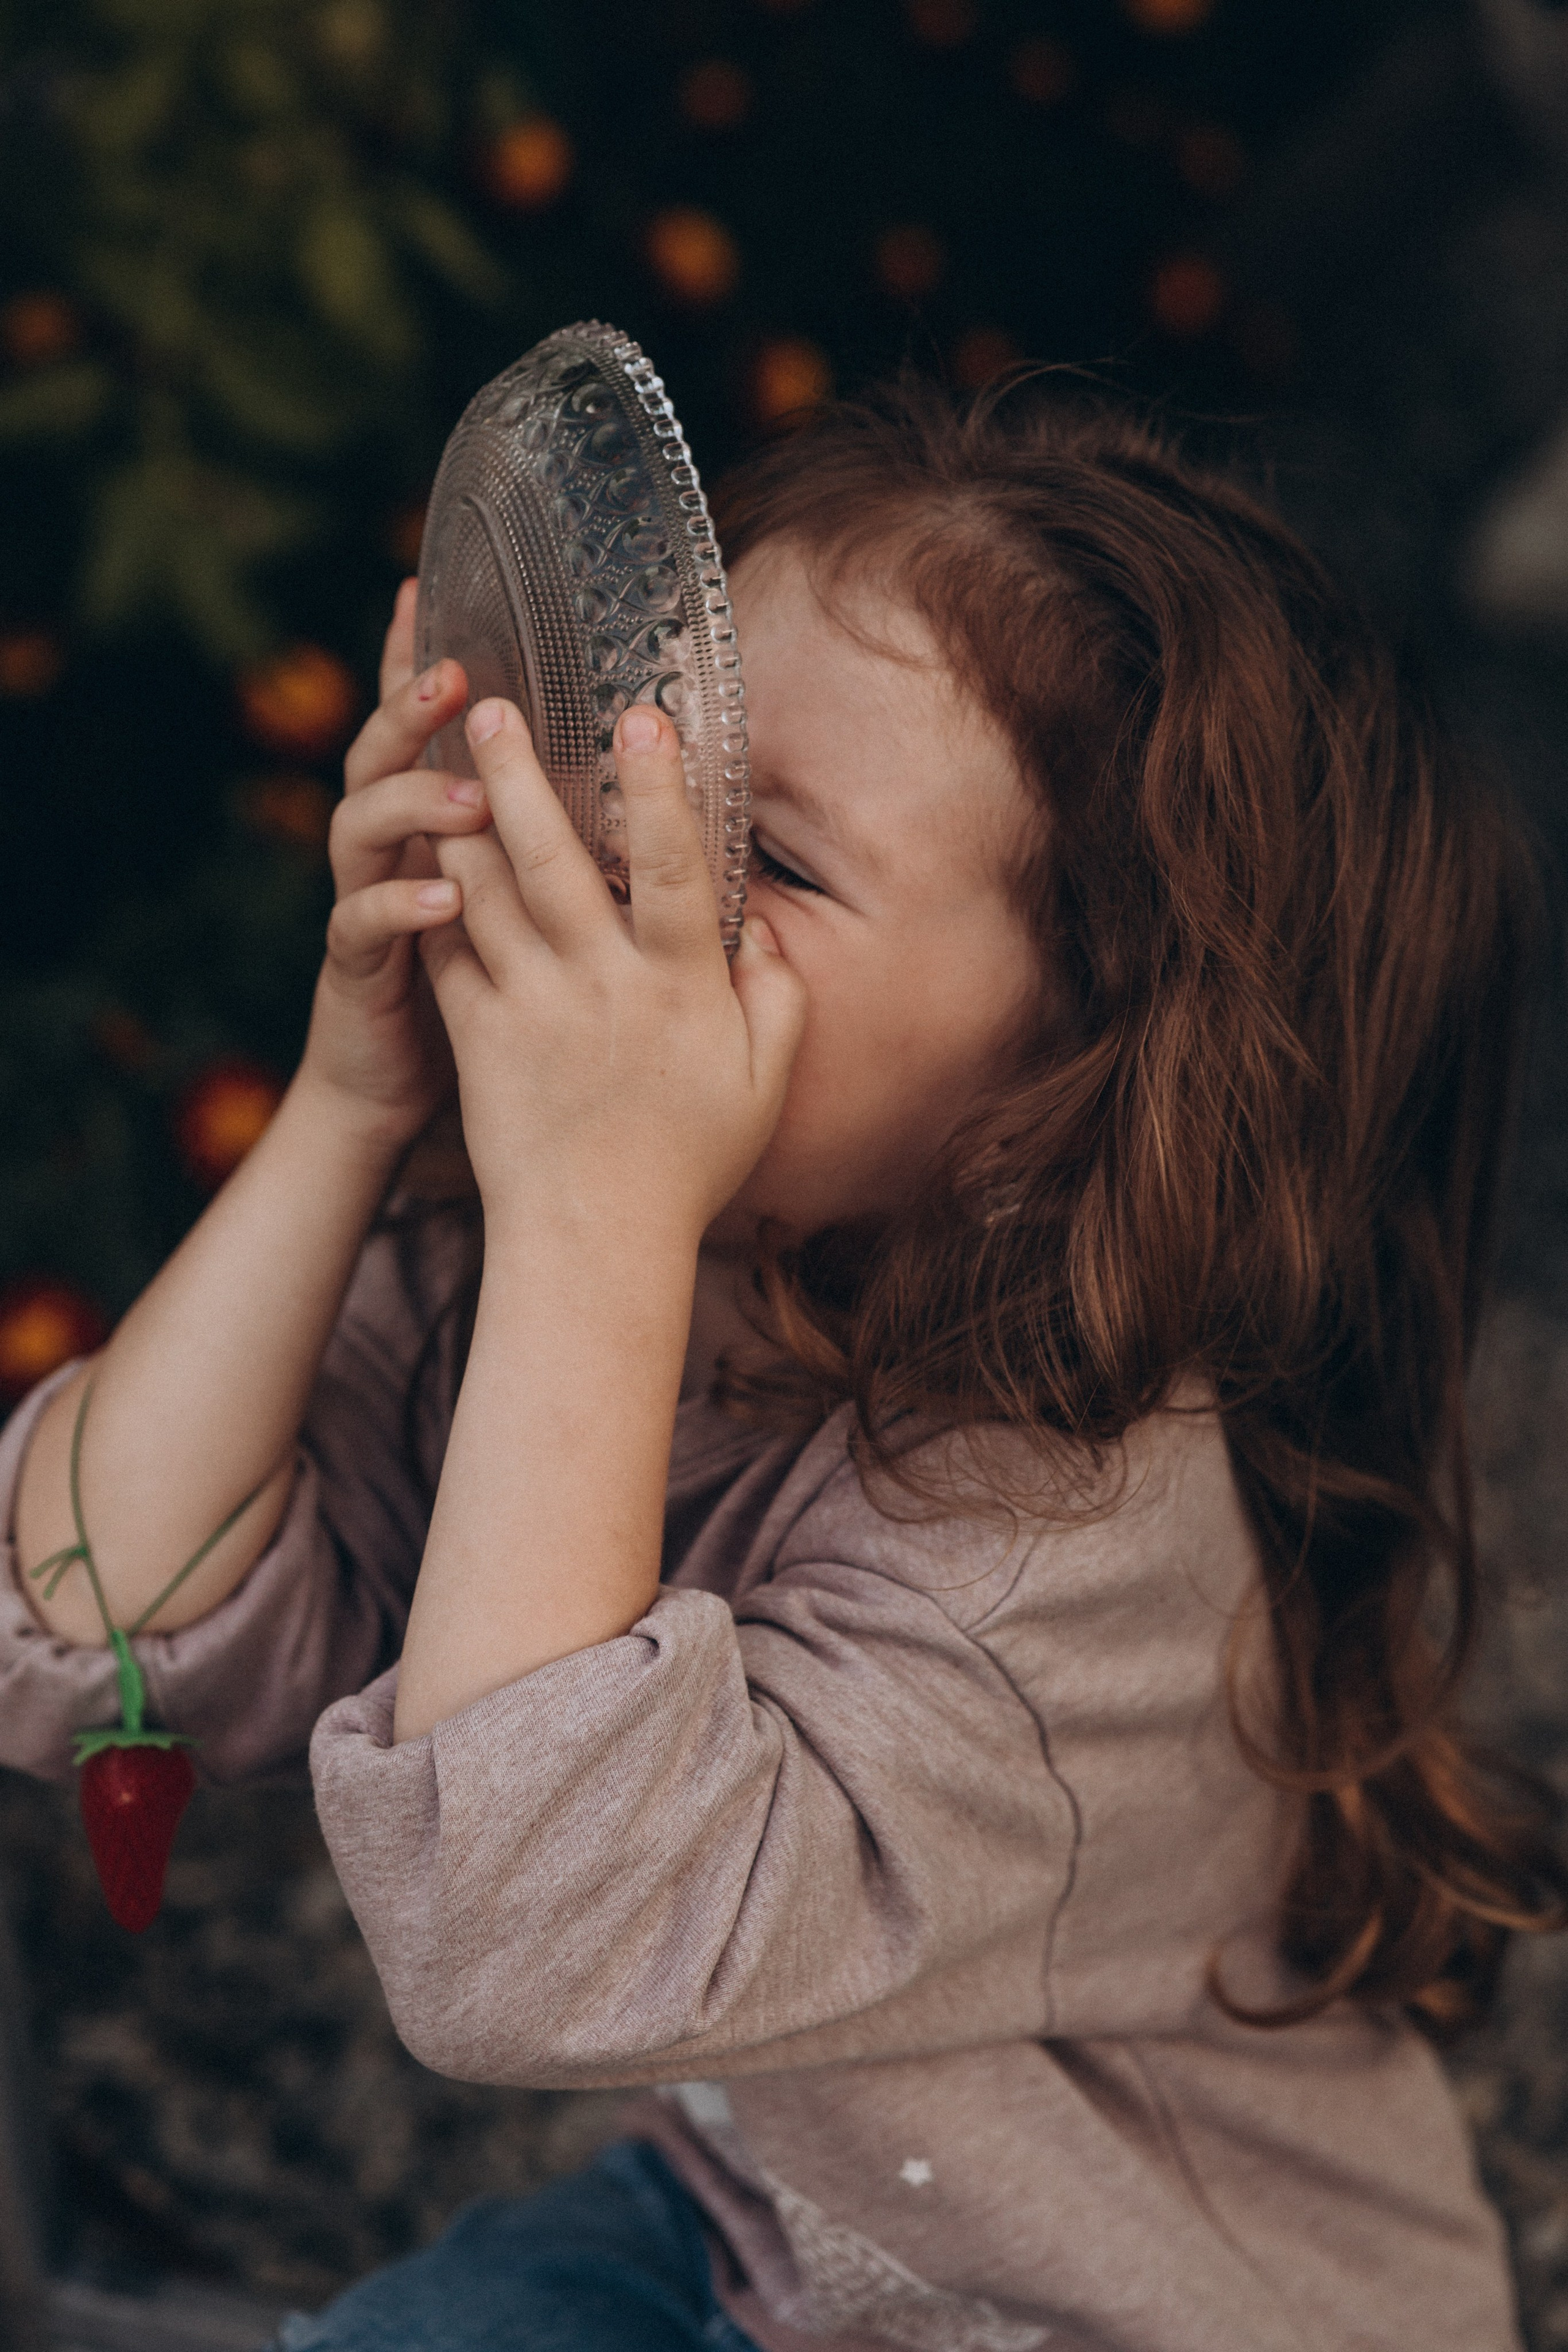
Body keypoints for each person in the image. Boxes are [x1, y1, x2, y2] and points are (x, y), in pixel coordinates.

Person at [1, 379, 1562, 2352]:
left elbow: (520, 1949)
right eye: (646, 773)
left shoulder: (1050, 1542)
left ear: (1060, 1101)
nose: (624, 870)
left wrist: (593, 1205)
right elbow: (99, 1607)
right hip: (777, 2234)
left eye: (773, 861)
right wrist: (347, 1097)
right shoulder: (620, 1240)